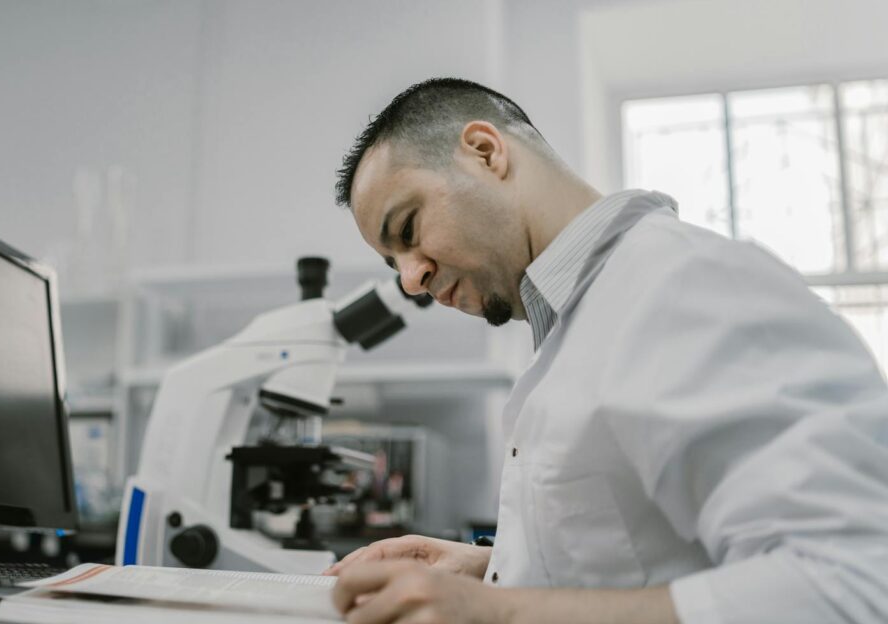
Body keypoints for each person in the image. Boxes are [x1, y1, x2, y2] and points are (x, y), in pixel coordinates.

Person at [324, 77, 888, 624]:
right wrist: (492, 569)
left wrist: (500, 613)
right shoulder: (578, 322)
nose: (410, 281)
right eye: (391, 262)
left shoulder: (687, 284)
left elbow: (857, 584)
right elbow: (650, 554)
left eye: (408, 228)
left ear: (484, 151)